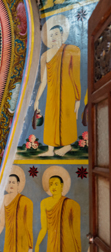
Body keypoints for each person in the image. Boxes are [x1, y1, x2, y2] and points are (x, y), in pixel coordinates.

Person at [34, 21, 81, 156]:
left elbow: (75, 75)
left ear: (62, 34)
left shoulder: (72, 50)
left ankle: (67, 146)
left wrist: (78, 98)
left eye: (56, 34)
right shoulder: (46, 55)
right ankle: (50, 150)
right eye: (51, 35)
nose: (53, 37)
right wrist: (37, 100)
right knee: (51, 118)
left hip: (68, 91)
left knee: (67, 117)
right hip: (52, 93)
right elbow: (43, 81)